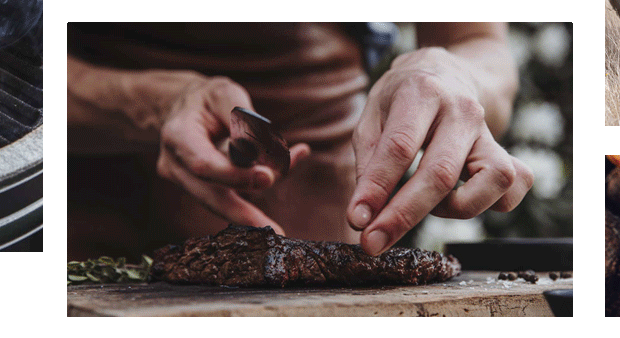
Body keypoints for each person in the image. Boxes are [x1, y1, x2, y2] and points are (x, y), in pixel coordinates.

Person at [66, 23, 531, 259]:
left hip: (322, 205)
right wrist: (153, 103)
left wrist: (450, 73)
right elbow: (24, 61)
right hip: (101, 215)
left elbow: (479, 43)